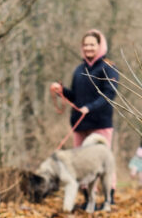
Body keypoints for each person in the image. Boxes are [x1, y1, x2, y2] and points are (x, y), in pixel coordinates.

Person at [50, 29, 120, 201]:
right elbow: (75, 96)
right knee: (81, 163)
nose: (88, 48)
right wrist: (61, 92)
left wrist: (90, 107)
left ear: (100, 46)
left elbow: (109, 94)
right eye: (85, 45)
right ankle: (88, 197)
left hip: (100, 123)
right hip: (80, 125)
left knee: (101, 162)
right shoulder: (78, 70)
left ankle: (108, 196)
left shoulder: (108, 67)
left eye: (92, 44)